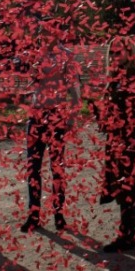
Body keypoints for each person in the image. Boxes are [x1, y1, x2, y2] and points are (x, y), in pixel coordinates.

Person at [21, 20, 81, 233]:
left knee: (57, 167)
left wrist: (72, 117)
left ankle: (59, 214)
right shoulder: (35, 56)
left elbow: (75, 88)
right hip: (36, 116)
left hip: (56, 116)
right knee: (33, 168)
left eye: (46, 32)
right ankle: (34, 215)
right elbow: (31, 84)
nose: (43, 36)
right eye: (40, 32)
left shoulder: (67, 56)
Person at [94, 36, 135, 252]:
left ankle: (127, 235)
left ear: (129, 52)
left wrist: (112, 120)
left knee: (128, 181)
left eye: (119, 52)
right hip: (119, 136)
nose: (115, 56)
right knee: (133, 180)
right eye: (112, 53)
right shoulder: (115, 76)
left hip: (131, 137)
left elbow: (134, 110)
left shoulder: (134, 77)